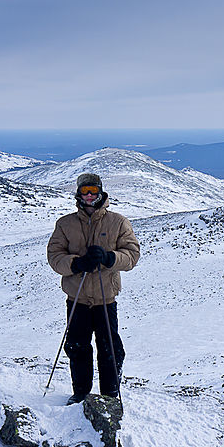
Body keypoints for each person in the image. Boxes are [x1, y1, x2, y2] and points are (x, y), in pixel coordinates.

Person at [47, 173, 140, 404]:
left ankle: (110, 395)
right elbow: (54, 256)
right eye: (85, 191)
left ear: (101, 193)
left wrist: (110, 258)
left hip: (105, 299)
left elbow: (132, 255)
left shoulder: (118, 222)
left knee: (110, 348)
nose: (89, 196)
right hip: (76, 298)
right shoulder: (65, 224)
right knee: (77, 346)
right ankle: (80, 393)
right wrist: (75, 264)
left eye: (93, 191)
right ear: (78, 194)